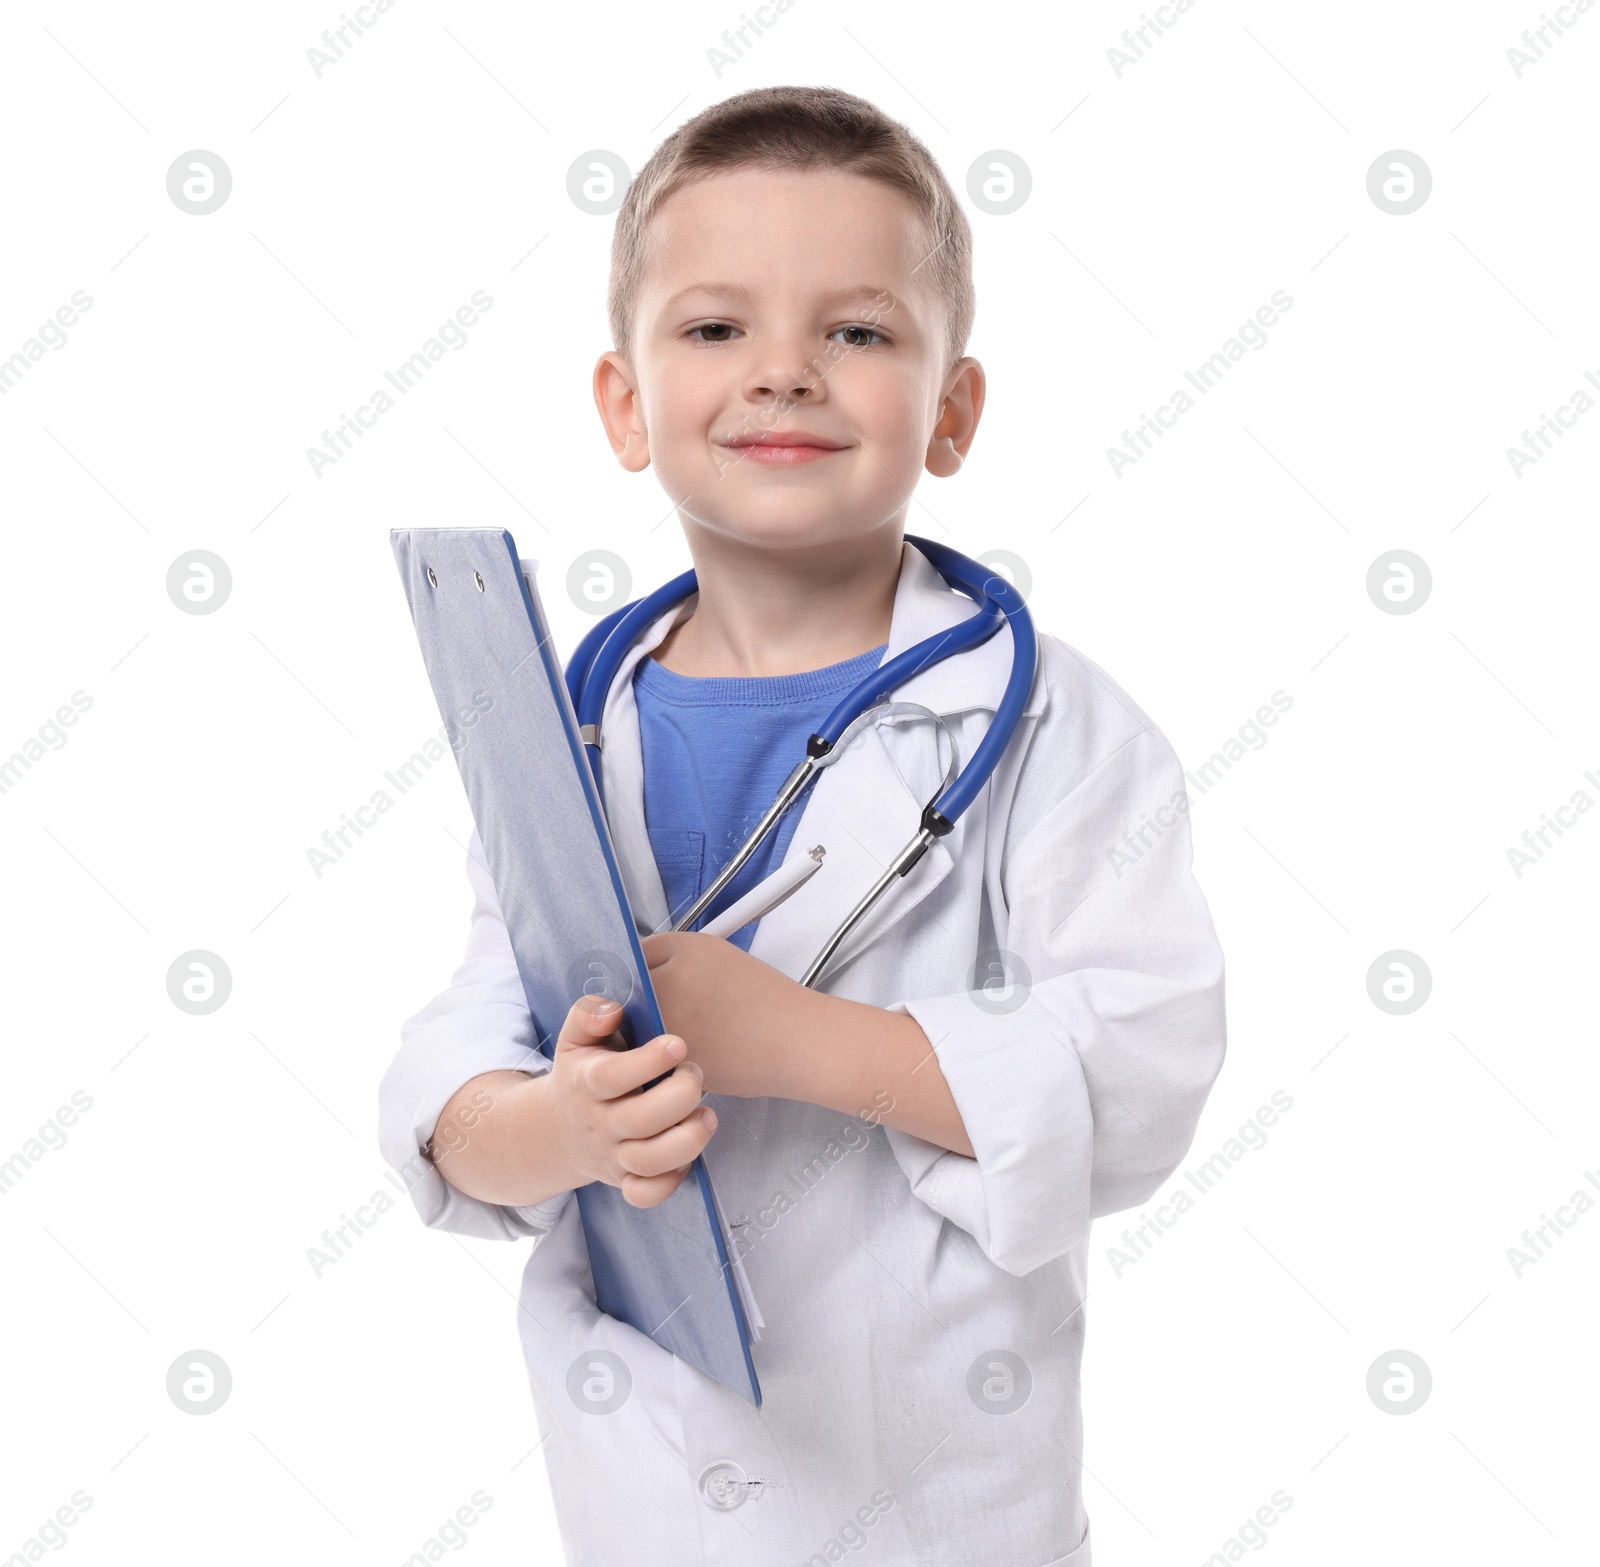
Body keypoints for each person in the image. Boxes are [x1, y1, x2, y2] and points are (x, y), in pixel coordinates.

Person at [378, 84, 1225, 1567]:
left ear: (953, 410)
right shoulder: (570, 735)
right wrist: (556, 1127)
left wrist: (799, 1045)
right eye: (714, 331)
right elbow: (462, 1077)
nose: (784, 374)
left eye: (859, 331)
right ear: (626, 405)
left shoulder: (1044, 730)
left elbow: (1146, 1071)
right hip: (641, 1488)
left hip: (945, 1495)